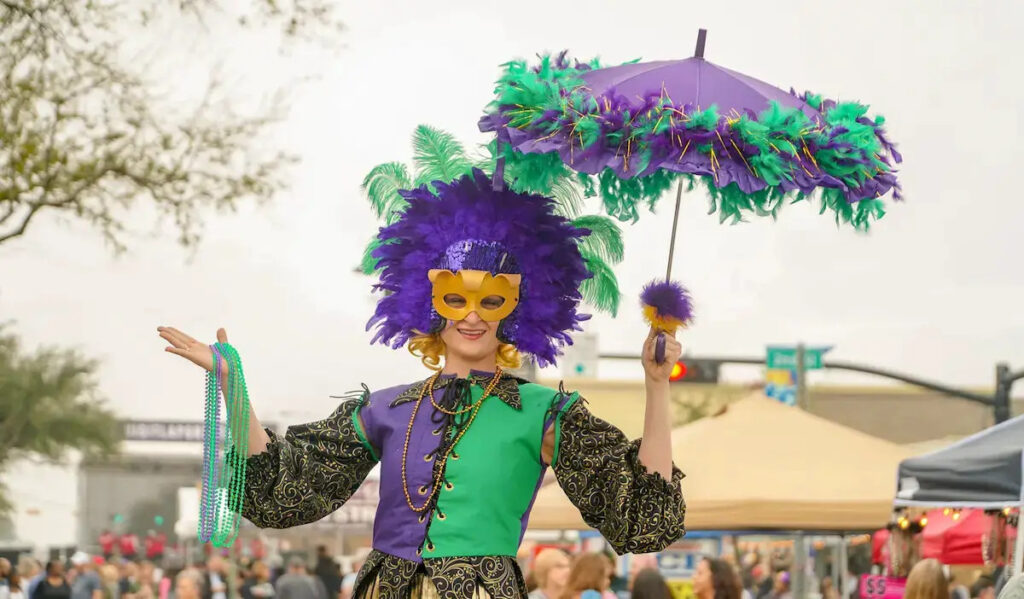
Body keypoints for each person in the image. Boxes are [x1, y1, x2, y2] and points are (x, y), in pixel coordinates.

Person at [157, 170, 686, 599]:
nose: (472, 316)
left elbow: (644, 519)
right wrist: (233, 384)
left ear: (516, 309)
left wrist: (656, 386)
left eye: (490, 301)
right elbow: (282, 493)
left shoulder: (544, 412)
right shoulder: (386, 409)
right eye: (456, 299)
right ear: (430, 304)